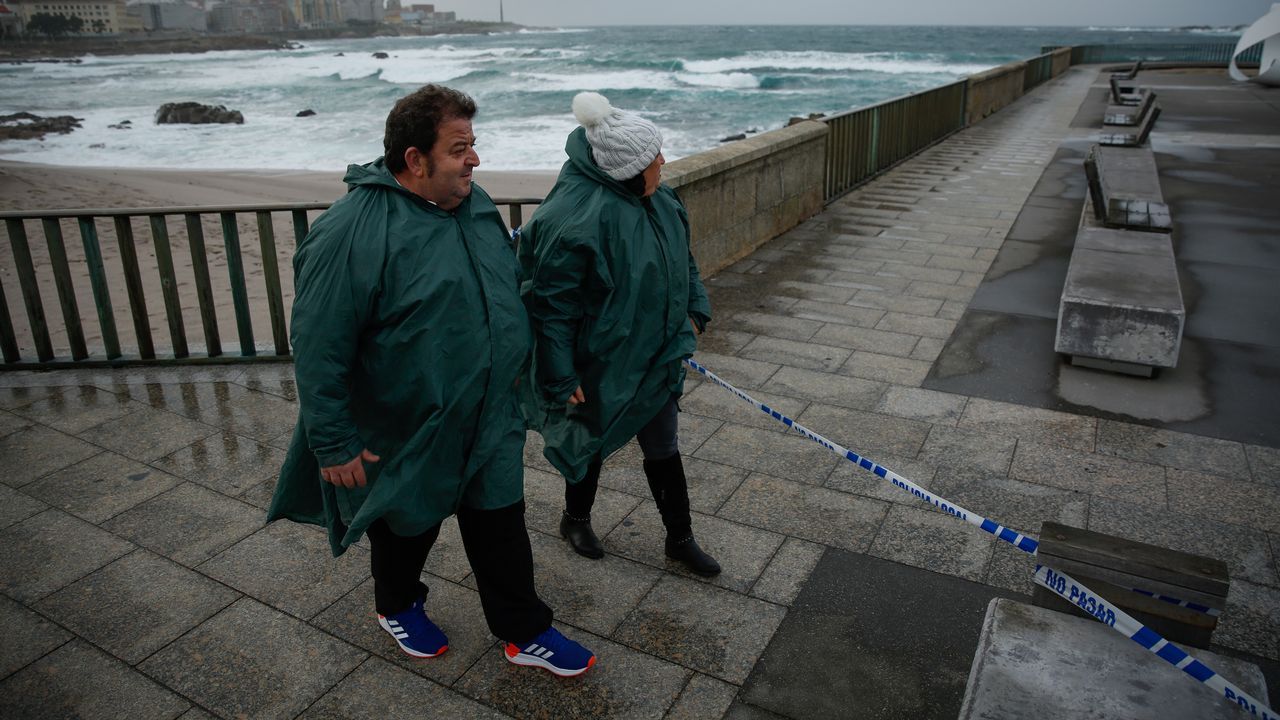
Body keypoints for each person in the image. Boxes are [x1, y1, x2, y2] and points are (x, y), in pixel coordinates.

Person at [267, 84, 595, 677]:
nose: (474, 160)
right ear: (414, 160)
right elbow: (318, 344)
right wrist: (334, 440)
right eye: (459, 148)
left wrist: (547, 367)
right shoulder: (351, 232)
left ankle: (525, 630)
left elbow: (504, 289)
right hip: (409, 418)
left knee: (500, 519)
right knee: (407, 521)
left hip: (490, 411)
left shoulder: (473, 203)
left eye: (474, 145)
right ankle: (396, 604)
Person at [518, 91, 720, 577]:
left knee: (664, 446)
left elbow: (684, 259)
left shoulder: (662, 199)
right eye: (654, 158)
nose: (663, 162)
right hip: (600, 356)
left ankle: (680, 538)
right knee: (588, 441)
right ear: (628, 173)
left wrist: (695, 307)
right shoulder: (574, 221)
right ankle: (576, 519)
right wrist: (562, 375)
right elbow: (552, 308)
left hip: (658, 352)